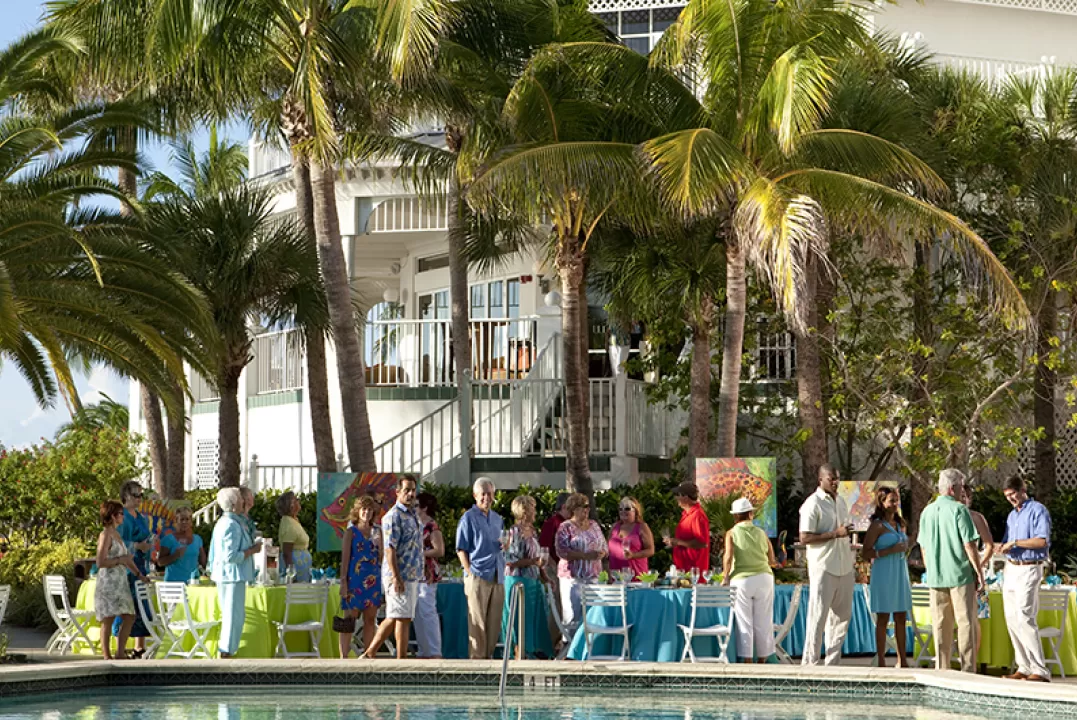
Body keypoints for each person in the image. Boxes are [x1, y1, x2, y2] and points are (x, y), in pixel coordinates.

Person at [918, 468, 982, 673]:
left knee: (940, 624)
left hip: (936, 575)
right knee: (966, 623)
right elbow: (969, 544)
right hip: (959, 573)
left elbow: (923, 547)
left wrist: (930, 569)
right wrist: (979, 572)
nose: (963, 491)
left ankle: (942, 668)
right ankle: (967, 669)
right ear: (953, 488)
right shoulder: (959, 510)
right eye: (961, 486)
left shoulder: (927, 511)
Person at [799, 464, 855, 666]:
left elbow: (843, 531)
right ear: (820, 479)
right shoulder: (812, 503)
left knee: (841, 619)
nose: (835, 482)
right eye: (831, 478)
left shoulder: (841, 501)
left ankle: (832, 664)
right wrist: (834, 534)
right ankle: (810, 663)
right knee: (818, 616)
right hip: (823, 566)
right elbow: (804, 537)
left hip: (844, 565)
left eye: (837, 478)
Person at [999, 475, 1053, 682]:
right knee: (1012, 618)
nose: (1011, 499)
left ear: (1023, 489)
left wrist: (1015, 543)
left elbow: (1041, 541)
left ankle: (1040, 669)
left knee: (1025, 615)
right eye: (1007, 496)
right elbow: (1007, 542)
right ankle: (1023, 666)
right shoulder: (1012, 515)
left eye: (1013, 494)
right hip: (1011, 567)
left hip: (1030, 567)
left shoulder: (1038, 510)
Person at [364, 475, 423, 660]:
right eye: (406, 490)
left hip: (412, 573)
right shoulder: (393, 516)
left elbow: (415, 545)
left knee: (400, 616)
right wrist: (396, 577)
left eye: (413, 490)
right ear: (397, 492)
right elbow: (390, 548)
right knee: (398, 616)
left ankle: (375, 653)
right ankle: (390, 656)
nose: (410, 494)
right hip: (399, 574)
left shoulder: (412, 514)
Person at [456, 477, 506, 659]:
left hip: (497, 574)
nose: (487, 497)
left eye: (490, 493)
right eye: (483, 494)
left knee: (494, 623)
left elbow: (501, 544)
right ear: (475, 495)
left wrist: (506, 546)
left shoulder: (497, 519)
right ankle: (477, 661)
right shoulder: (468, 518)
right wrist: (470, 573)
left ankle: (488, 658)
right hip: (478, 574)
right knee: (477, 624)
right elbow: (461, 549)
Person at [722, 497, 776, 663]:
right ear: (750, 514)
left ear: (735, 516)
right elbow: (771, 557)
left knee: (744, 622)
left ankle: (747, 661)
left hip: (742, 579)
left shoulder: (731, 533)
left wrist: (725, 576)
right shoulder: (761, 532)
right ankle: (763, 660)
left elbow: (728, 557)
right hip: (765, 578)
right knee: (764, 621)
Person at [209, 487, 262, 658]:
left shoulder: (228, 522)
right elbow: (231, 556)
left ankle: (228, 649)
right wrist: (252, 550)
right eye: (240, 498)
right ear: (233, 504)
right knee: (233, 615)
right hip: (231, 575)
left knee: (233, 614)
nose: (243, 501)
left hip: (229, 574)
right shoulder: (230, 525)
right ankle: (227, 651)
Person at [862, 486, 911, 668]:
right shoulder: (877, 526)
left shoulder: (900, 524)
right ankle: (881, 660)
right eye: (891, 500)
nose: (895, 504)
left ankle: (902, 659)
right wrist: (888, 550)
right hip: (883, 573)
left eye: (897, 500)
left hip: (900, 572)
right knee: (883, 618)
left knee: (901, 616)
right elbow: (865, 552)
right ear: (882, 503)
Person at [502, 494, 554, 659]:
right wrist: (533, 561)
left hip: (533, 581)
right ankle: (518, 652)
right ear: (525, 512)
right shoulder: (515, 532)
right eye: (533, 509)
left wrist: (544, 576)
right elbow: (510, 561)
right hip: (518, 580)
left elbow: (537, 558)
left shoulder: (532, 531)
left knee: (534, 619)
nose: (536, 512)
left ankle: (533, 652)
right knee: (520, 620)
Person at [94, 500, 146, 660]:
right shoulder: (105, 535)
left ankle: (120, 652)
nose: (123, 516)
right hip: (109, 582)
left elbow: (126, 559)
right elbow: (100, 562)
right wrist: (119, 560)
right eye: (121, 514)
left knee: (129, 616)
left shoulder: (117, 535)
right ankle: (107, 655)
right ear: (112, 516)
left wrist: (139, 574)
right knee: (108, 618)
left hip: (120, 582)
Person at [555, 493, 608, 640]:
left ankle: (590, 646)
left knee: (594, 614)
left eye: (588, 506)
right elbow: (561, 551)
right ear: (574, 509)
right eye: (584, 506)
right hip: (572, 578)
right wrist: (585, 556)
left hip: (593, 577)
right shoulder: (565, 527)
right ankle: (571, 646)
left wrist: (602, 553)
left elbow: (604, 546)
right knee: (573, 615)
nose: (587, 510)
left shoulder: (594, 525)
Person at [114, 480, 155, 658]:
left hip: (140, 565)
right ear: (125, 496)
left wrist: (148, 547)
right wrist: (137, 546)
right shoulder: (121, 517)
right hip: (125, 567)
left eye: (141, 495)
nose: (139, 498)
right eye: (135, 495)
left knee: (141, 605)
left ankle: (140, 647)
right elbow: (117, 542)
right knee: (124, 606)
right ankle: (119, 648)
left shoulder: (142, 517)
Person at [338, 495, 383, 657]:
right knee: (349, 620)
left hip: (373, 579)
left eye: (370, 509)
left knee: (370, 619)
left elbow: (382, 558)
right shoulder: (351, 532)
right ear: (357, 511)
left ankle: (368, 654)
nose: (367, 513)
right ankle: (344, 656)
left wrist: (379, 546)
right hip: (354, 580)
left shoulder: (377, 531)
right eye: (364, 509)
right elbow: (345, 559)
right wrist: (343, 582)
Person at [961, 482, 995, 659]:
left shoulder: (976, 518)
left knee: (974, 619)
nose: (963, 500)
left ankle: (973, 657)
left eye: (965, 496)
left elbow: (989, 545)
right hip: (954, 572)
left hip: (974, 573)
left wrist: (979, 565)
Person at [415, 491, 444, 659]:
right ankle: (423, 650)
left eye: (416, 505)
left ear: (424, 508)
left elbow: (439, 550)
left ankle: (434, 651)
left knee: (428, 611)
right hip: (415, 573)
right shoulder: (415, 524)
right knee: (417, 612)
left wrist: (420, 553)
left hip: (428, 573)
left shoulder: (432, 526)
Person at [665, 481, 710, 571]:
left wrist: (678, 542)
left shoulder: (697, 515)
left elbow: (703, 543)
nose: (676, 498)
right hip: (684, 568)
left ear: (686, 497)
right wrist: (674, 542)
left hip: (694, 570)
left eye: (678, 495)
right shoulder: (687, 514)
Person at [607, 496, 654, 580]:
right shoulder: (614, 527)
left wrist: (633, 555)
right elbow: (607, 549)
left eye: (627, 509)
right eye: (620, 509)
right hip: (616, 576)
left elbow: (650, 550)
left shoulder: (642, 527)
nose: (623, 511)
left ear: (635, 510)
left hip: (636, 575)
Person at [158, 505, 206, 583]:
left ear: (191, 521)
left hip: (192, 582)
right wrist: (175, 555)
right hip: (173, 583)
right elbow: (160, 562)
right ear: (176, 521)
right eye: (182, 519)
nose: (184, 522)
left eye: (187, 519)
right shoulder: (168, 539)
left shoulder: (197, 539)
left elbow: (203, 561)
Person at [276, 491, 312, 582]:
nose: (299, 501)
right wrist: (291, 574)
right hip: (296, 569)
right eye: (296, 500)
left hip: (302, 568)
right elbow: (287, 552)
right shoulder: (288, 524)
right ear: (291, 505)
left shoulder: (293, 520)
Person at [539, 493, 571, 563]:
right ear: (564, 507)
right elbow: (544, 550)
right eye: (572, 507)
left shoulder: (570, 523)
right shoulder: (552, 523)